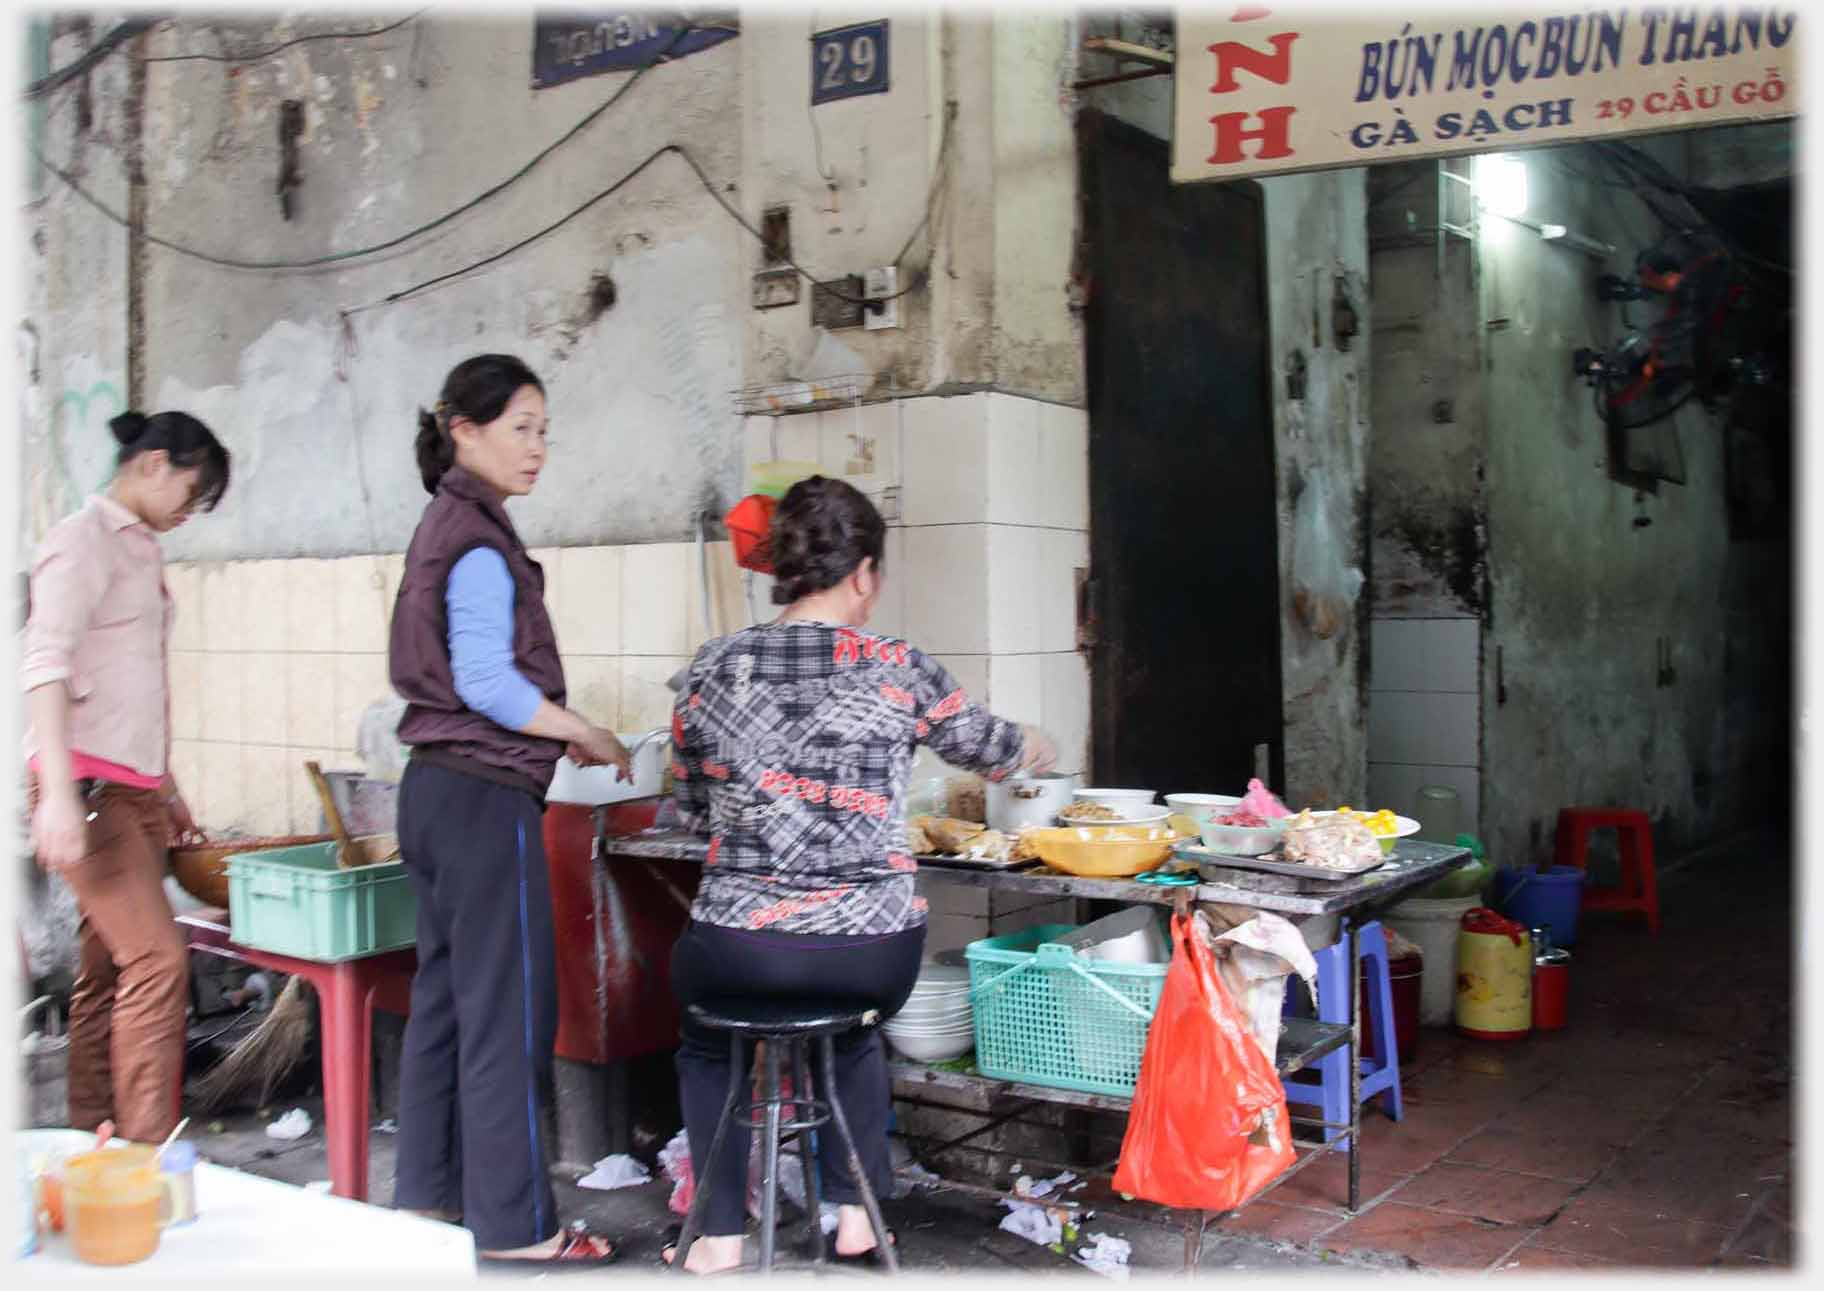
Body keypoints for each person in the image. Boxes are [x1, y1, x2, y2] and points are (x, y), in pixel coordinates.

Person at [666, 475, 1058, 1273]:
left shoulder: (711, 667)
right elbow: (995, 747)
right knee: (853, 1026)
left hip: (742, 943)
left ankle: (718, 1234)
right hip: (872, 950)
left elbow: (691, 806)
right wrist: (1036, 743)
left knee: (710, 1037)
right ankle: (855, 1217)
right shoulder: (898, 667)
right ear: (864, 572)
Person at [387, 354, 631, 1267]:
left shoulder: (444, 525)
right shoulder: (480, 542)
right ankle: (522, 1226)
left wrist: (549, 730)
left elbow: (467, 680)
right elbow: (488, 681)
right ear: (466, 430)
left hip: (435, 791)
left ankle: (426, 1201)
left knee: (447, 1004)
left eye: (544, 429)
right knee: (509, 1016)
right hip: (484, 800)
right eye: (522, 426)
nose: (538, 447)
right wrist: (586, 730)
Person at [23, 409, 229, 1145]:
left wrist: (166, 790)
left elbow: (135, 686)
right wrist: (51, 793)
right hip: (86, 789)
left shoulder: (141, 551)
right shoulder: (80, 543)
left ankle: (92, 1134)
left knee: (110, 966)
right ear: (152, 464)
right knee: (157, 957)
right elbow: (44, 664)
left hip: (133, 788)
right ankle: (148, 1153)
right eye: (191, 489)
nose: (190, 509)